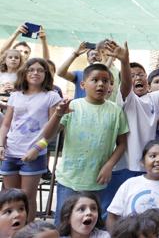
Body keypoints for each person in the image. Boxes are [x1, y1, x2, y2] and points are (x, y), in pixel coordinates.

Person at [24, 62, 129, 226]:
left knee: (90, 224)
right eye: (95, 80)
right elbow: (48, 135)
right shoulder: (72, 106)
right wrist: (58, 115)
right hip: (69, 179)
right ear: (83, 84)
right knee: (64, 224)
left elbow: (122, 143)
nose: (100, 84)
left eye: (105, 80)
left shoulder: (115, 111)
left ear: (111, 85)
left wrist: (109, 165)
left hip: (97, 181)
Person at [100, 42, 159, 216]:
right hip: (124, 165)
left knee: (140, 209)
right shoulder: (126, 97)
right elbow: (125, 84)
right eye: (132, 75)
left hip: (144, 166)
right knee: (114, 210)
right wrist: (124, 61)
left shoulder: (153, 98)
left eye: (140, 74)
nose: (137, 78)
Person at [0, 58, 62, 222]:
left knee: (27, 197)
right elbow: (6, 124)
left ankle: (28, 232)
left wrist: (36, 149)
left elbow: (53, 129)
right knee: (10, 197)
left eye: (40, 70)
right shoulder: (15, 95)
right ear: (25, 72)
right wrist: (1, 144)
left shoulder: (51, 96)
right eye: (31, 69)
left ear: (46, 74)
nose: (35, 73)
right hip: (10, 152)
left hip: (34, 154)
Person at [106, 140, 159, 238]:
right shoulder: (130, 184)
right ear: (142, 162)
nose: (158, 159)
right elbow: (112, 216)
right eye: (153, 156)